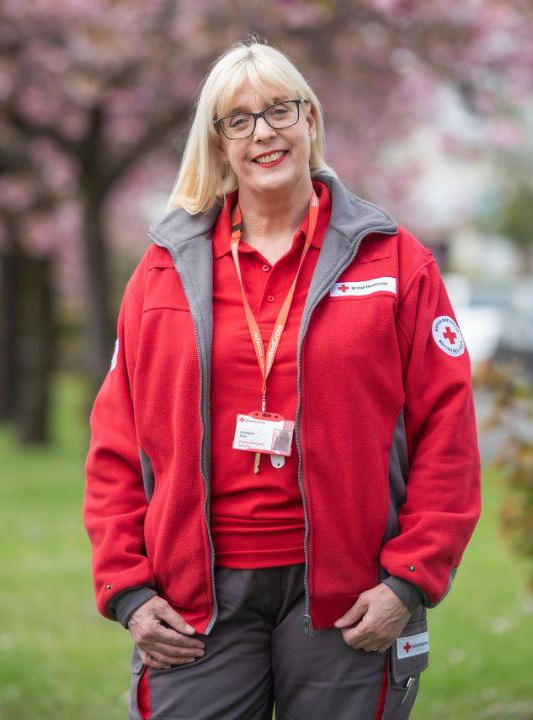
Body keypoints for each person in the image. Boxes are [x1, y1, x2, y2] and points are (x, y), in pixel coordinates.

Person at [84, 40, 481, 720]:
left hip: (348, 601)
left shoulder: (395, 262)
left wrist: (408, 581)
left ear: (311, 122)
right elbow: (117, 443)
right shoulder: (163, 270)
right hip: (196, 603)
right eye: (238, 120)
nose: (263, 132)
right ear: (218, 144)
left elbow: (448, 431)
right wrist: (128, 589)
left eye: (279, 110)